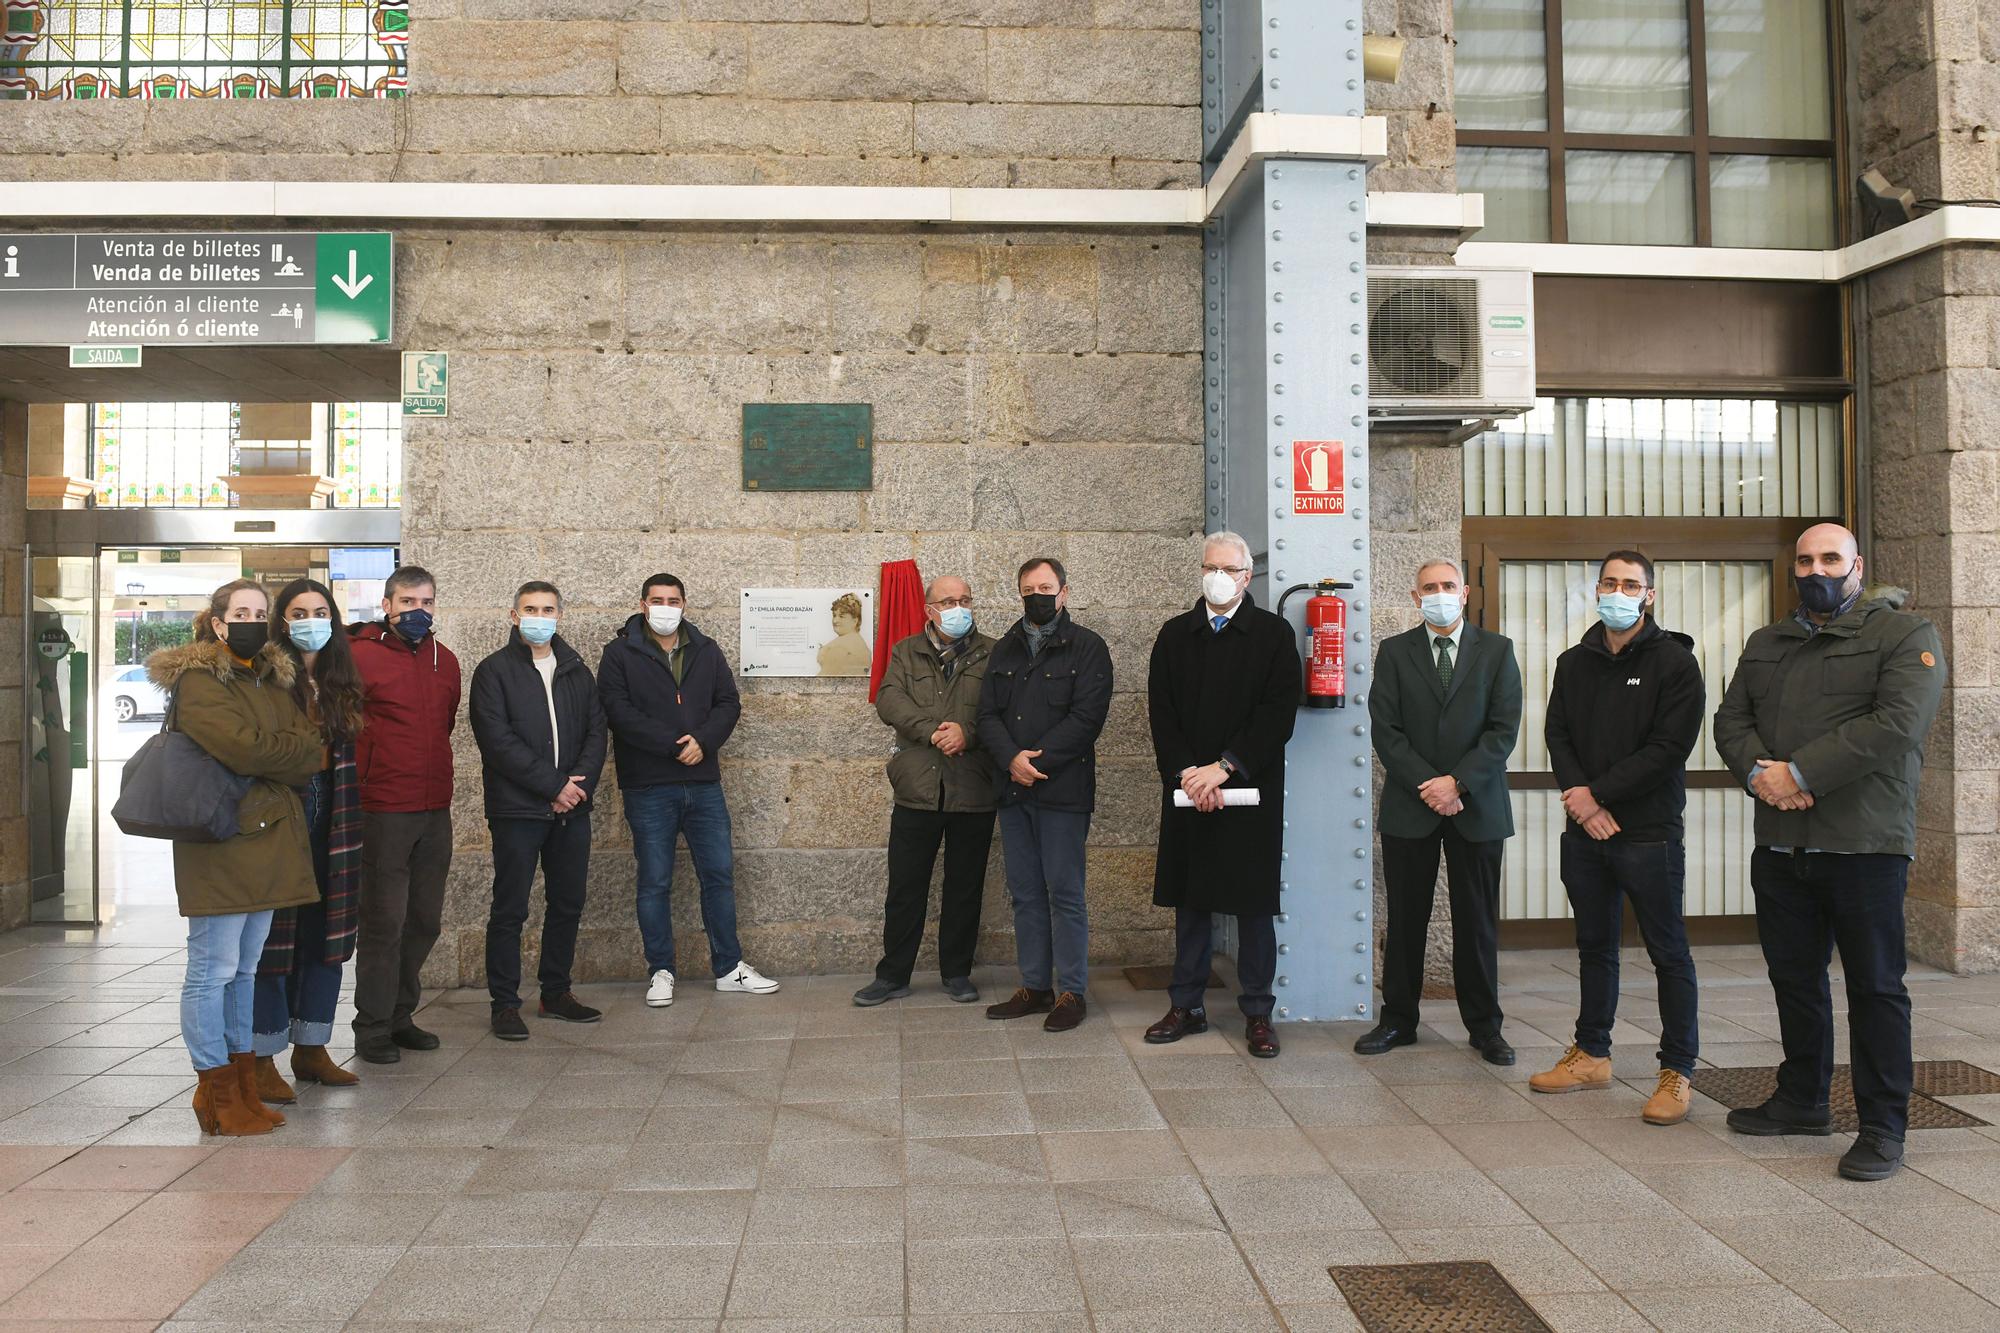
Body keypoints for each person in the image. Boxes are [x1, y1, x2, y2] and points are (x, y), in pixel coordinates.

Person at [1714, 523, 1944, 1181]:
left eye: (1830, 558)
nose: (1817, 569)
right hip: (1782, 843)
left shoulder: (1904, 636)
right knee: (1794, 978)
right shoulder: (1769, 641)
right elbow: (1731, 720)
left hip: (1864, 844)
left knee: (1874, 987)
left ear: (1858, 566)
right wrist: (1762, 775)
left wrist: (1801, 773)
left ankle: (1882, 1125)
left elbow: (1897, 724)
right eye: (1806, 559)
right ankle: (1802, 1098)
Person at [1533, 551, 1704, 1125]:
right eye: (1609, 582)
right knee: (1594, 946)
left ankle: (1677, 1072)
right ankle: (1591, 1054)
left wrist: (1595, 796)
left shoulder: (1675, 663)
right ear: (1596, 588)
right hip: (1586, 833)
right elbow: (1557, 734)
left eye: (1631, 584)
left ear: (1649, 595)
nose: (1619, 591)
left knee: (1668, 953)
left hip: (1648, 834)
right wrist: (1582, 802)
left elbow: (1666, 749)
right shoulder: (1573, 661)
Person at [149, 579, 323, 1135]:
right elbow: (244, 747)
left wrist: (279, 753)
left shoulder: (273, 677)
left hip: (267, 842)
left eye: (259, 613)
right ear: (219, 623)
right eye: (239, 612)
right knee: (211, 970)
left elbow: (310, 748)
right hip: (220, 842)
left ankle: (243, 1086)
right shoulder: (199, 680)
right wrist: (281, 752)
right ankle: (214, 1090)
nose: (251, 621)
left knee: (245, 970)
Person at [1357, 558, 1523, 1066]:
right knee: (1406, 917)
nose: (1439, 594)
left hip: (1477, 804)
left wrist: (1459, 783)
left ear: (1466, 593)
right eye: (1429, 587)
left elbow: (1503, 728)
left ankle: (1485, 1027)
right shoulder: (1393, 652)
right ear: (1415, 597)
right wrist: (1430, 785)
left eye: (1448, 586)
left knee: (1476, 920)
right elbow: (1385, 729)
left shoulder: (1497, 651)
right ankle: (1398, 1021)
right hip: (1413, 803)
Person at [1142, 533, 1300, 1059]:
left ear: (1246, 576)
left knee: (1254, 904)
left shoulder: (1274, 636)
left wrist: (1224, 768)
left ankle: (1257, 1011)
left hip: (1249, 789)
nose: (1218, 576)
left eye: (1229, 569)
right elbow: (1161, 714)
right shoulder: (1173, 635)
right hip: (1190, 788)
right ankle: (1186, 1004)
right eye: (1211, 566)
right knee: (1192, 901)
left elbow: (1277, 715)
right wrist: (1191, 774)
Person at [599, 573, 779, 1004]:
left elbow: (727, 703)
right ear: (643, 604)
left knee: (718, 875)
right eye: (657, 599)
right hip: (648, 786)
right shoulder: (619, 653)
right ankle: (661, 970)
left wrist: (704, 741)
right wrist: (670, 745)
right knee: (655, 882)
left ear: (684, 604)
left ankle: (729, 967)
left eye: (673, 599)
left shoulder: (706, 649)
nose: (665, 606)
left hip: (703, 784)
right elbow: (616, 710)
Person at [975, 557, 1113, 1033]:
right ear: (1019, 594)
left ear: (1064, 592)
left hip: (1063, 793)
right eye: (1029, 588)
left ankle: (1072, 991)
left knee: (1066, 893)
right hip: (1013, 792)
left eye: (1047, 586)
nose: (1038, 594)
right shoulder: (1006, 649)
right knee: (1026, 893)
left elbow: (1086, 720)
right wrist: (1012, 760)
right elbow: (986, 715)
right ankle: (1035, 987)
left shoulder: (1087, 647)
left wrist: (1036, 761)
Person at [469, 581, 609, 1040]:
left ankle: (556, 992)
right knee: (511, 908)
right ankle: (505, 1003)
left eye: (547, 609)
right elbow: (497, 741)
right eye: (530, 608)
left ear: (559, 616)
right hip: (518, 811)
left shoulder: (575, 669)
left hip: (572, 809)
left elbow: (595, 732)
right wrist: (552, 786)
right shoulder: (494, 672)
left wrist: (575, 788)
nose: (539, 616)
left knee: (567, 903)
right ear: (514, 616)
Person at [250, 579, 367, 1106]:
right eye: (299, 613)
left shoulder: (341, 677)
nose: (311, 620)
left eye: (320, 611)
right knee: (276, 937)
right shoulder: (266, 677)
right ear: (281, 622)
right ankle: (262, 1056)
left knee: (327, 931)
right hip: (282, 810)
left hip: (335, 807)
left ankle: (312, 1046)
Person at [854, 574, 996, 1007]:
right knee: (905, 889)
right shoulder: (906, 651)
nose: (958, 607)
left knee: (964, 888)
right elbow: (889, 700)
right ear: (929, 609)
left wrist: (967, 735)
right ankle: (893, 975)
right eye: (948, 600)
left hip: (973, 788)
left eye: (965, 599)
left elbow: (1003, 711)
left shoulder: (993, 653)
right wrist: (935, 732)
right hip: (917, 789)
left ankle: (957, 972)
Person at [349, 565, 461, 1065]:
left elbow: (446, 725)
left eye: (427, 602)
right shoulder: (360, 656)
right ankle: (371, 1026)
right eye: (408, 602)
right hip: (383, 809)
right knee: (383, 922)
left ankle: (400, 1015)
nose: (419, 611)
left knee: (424, 920)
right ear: (388, 604)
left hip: (435, 808)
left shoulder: (446, 660)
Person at [816, 592, 872, 677]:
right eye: (834, 615)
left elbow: (822, 679)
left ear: (855, 621)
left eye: (841, 616)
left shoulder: (840, 648)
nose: (835, 621)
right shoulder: (858, 642)